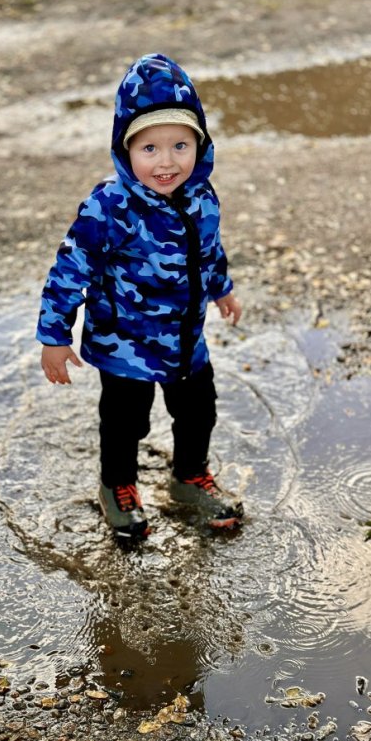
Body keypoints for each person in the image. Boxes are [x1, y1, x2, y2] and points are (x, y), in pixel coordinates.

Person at [36, 52, 243, 540]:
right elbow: (69, 270)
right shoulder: (108, 207)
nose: (166, 161)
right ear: (125, 149)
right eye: (149, 148)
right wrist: (54, 335)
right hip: (124, 343)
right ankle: (118, 487)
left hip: (186, 341)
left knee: (199, 410)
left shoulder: (202, 196)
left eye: (179, 145)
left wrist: (222, 288)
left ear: (200, 144)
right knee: (125, 422)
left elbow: (208, 250)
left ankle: (190, 477)